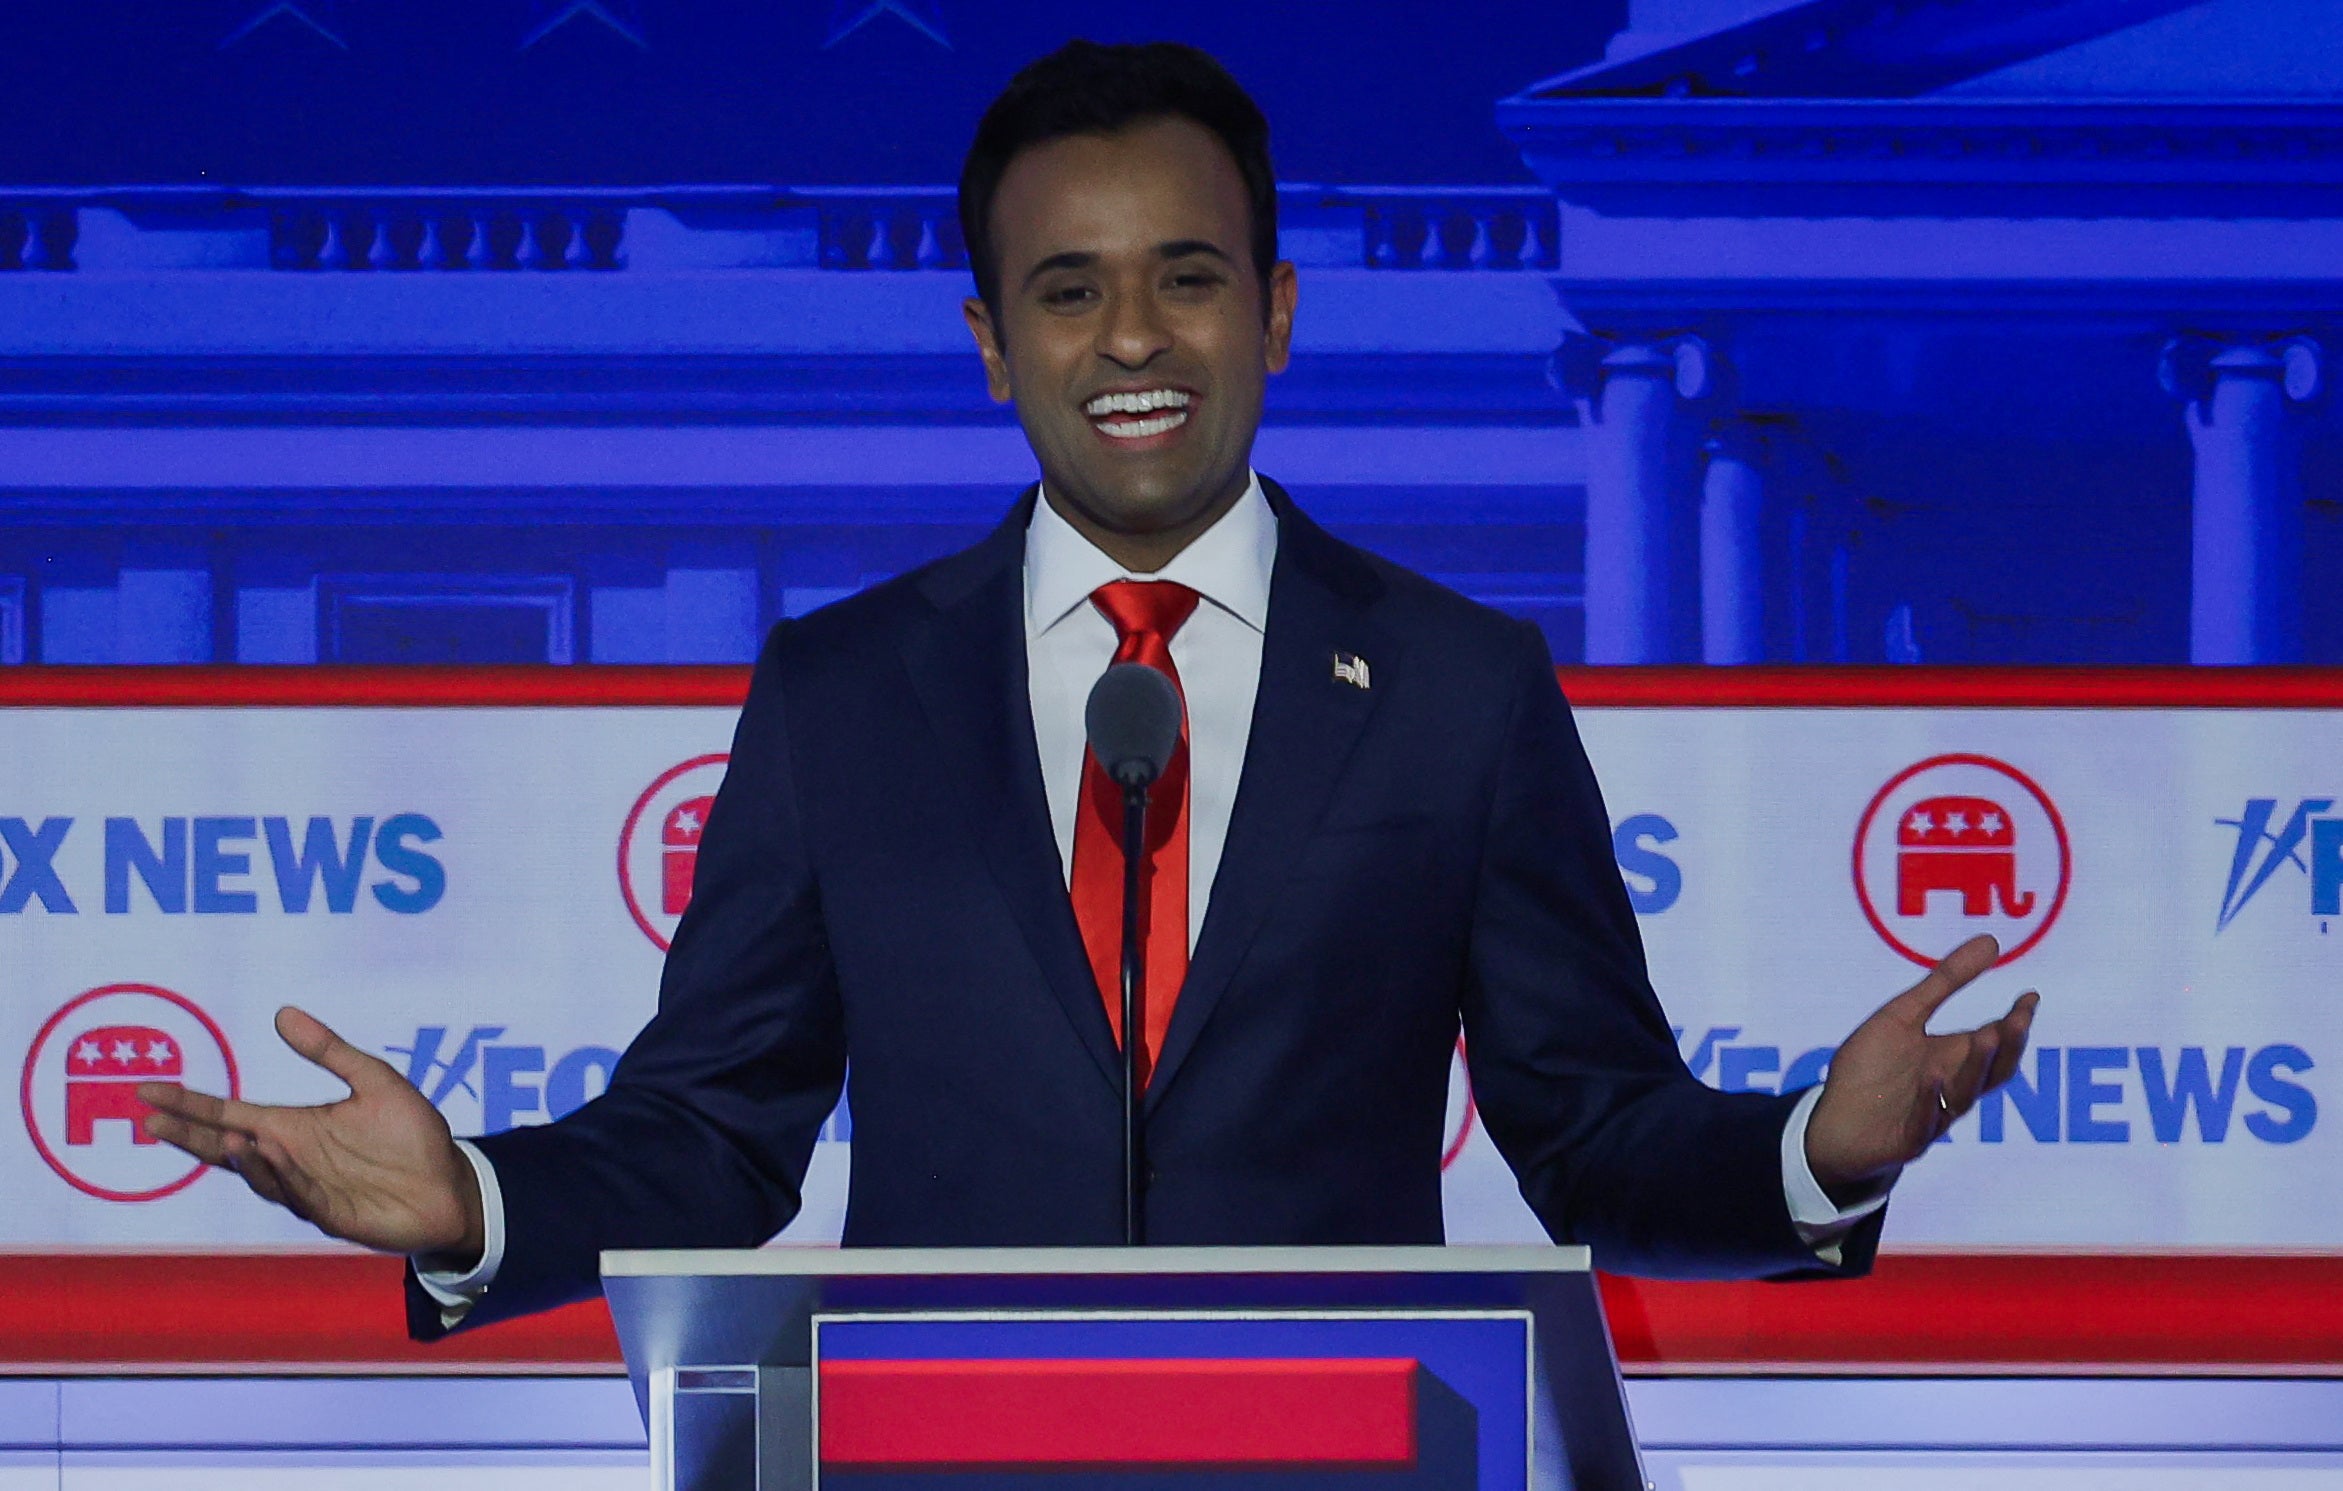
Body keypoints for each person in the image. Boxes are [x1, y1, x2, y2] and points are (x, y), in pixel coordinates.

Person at [139, 40, 2038, 1338]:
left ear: (1278, 312)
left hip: (1344, 1452)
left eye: (1189, 278)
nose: (1131, 337)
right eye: (1066, 290)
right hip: (934, 1451)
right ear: (990, 345)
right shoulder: (843, 692)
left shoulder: (1462, 687)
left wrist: (1813, 1152)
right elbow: (712, 1141)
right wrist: (478, 1203)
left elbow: (1594, 1134)